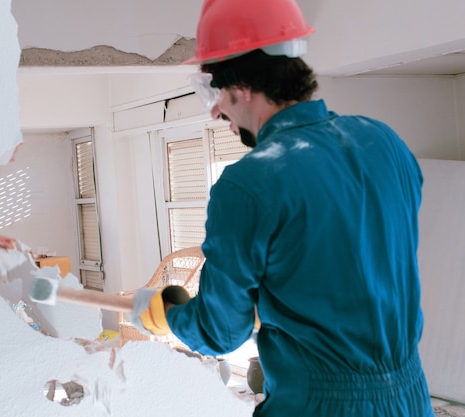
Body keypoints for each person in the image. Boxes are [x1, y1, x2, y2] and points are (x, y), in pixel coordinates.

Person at [131, 0, 435, 415]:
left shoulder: (248, 184)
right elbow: (349, 266)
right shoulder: (384, 142)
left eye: (214, 92)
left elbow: (221, 331)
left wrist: (168, 313)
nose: (217, 110)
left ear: (241, 87)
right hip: (411, 398)